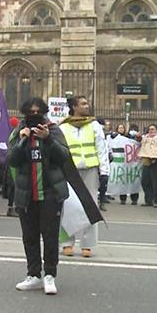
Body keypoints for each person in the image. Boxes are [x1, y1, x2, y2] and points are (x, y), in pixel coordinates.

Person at [8, 97, 71, 296]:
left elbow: (64, 157)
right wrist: (22, 140)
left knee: (50, 236)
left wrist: (48, 139)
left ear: (44, 113)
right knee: (30, 236)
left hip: (50, 193)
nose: (35, 116)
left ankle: (50, 275)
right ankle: (33, 274)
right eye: (30, 113)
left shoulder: (53, 130)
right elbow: (11, 160)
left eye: (38, 112)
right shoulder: (19, 132)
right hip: (27, 193)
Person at [59, 95, 109, 258]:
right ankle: (67, 242)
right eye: (83, 104)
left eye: (87, 103)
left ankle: (87, 244)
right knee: (67, 205)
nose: (87, 106)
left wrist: (104, 171)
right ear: (74, 107)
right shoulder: (63, 127)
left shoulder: (94, 125)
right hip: (69, 170)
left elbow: (101, 148)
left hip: (90, 169)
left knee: (91, 205)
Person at [113, 123, 139, 205]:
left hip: (131, 163)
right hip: (121, 163)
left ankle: (134, 199)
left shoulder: (129, 137)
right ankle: (123, 199)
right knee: (122, 181)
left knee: (133, 181)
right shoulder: (114, 137)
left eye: (122, 128)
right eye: (119, 128)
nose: (121, 129)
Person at [140, 124, 157, 207]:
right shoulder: (146, 139)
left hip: (156, 163)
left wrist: (155, 158)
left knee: (156, 183)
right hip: (147, 162)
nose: (151, 131)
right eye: (149, 129)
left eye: (153, 129)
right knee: (145, 181)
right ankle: (148, 200)